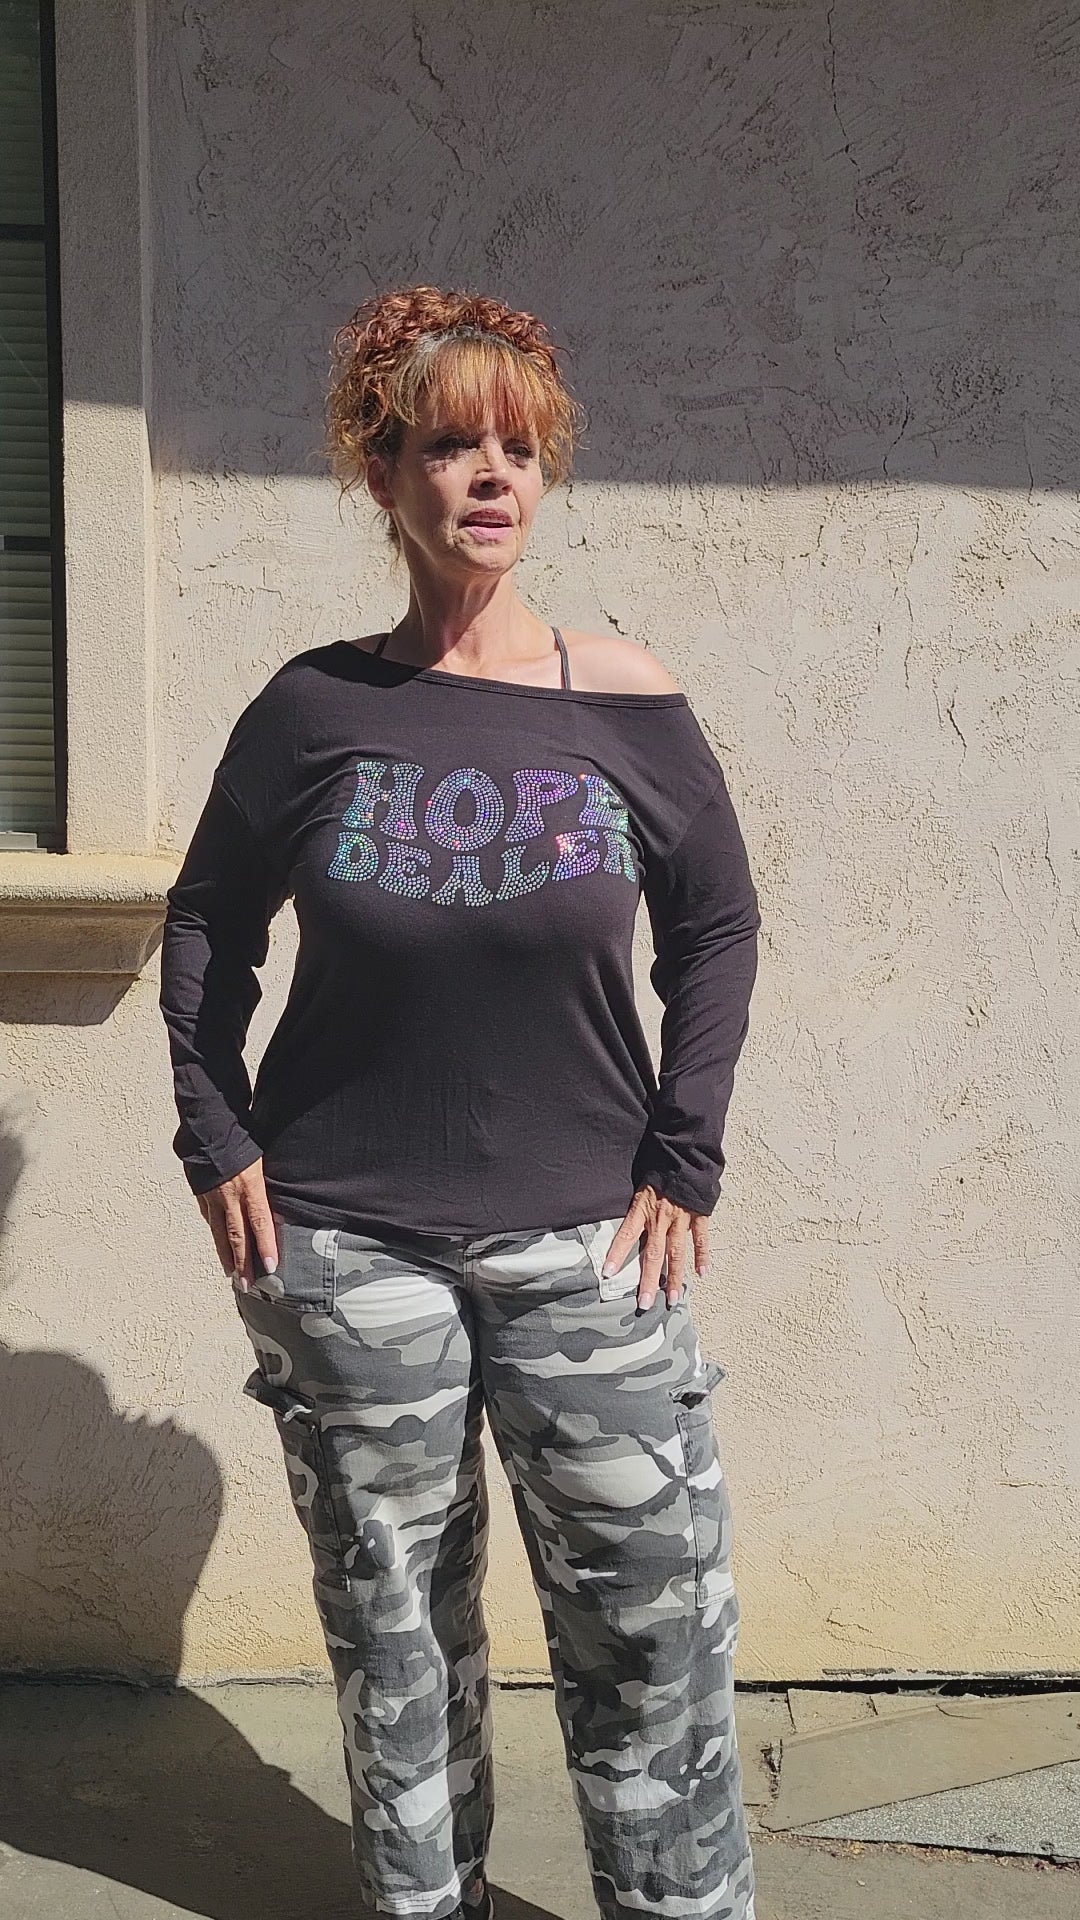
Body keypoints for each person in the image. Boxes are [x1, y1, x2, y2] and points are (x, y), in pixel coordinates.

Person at [160, 285, 760, 1920]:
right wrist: (215, 1130)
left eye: (520, 449)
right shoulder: (313, 710)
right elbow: (208, 918)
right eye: (449, 446)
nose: (492, 477)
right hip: (351, 1247)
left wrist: (685, 1153)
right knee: (398, 1632)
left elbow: (716, 924)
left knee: (651, 1614)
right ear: (383, 474)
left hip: (592, 1243)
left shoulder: (622, 698)